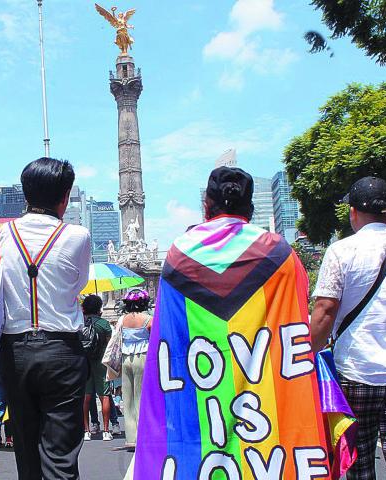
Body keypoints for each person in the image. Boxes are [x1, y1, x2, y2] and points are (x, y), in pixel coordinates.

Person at [134, 167, 331, 479]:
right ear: (250, 210)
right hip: (266, 404)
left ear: (206, 207)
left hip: (200, 389)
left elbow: (170, 340)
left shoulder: (178, 256)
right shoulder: (281, 254)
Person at [311, 176, 386, 480]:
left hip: (357, 371)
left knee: (358, 460)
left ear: (353, 212)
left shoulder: (341, 252)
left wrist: (305, 354)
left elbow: (325, 311)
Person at [0, 157, 91, 480]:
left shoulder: (0, 234)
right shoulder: (78, 236)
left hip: (15, 351)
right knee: (60, 454)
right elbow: (77, 285)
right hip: (62, 351)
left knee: (26, 449)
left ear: (26, 195)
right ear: (65, 197)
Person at [119, 289, 150, 448]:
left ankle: (131, 438)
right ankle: (142, 435)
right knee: (141, 397)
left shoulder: (122, 319)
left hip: (125, 358)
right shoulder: (148, 319)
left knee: (128, 398)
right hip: (142, 357)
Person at [81, 294, 113, 442]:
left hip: (84, 363)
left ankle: (86, 430)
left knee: (86, 397)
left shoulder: (80, 324)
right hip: (101, 362)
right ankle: (106, 430)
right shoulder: (104, 324)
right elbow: (109, 344)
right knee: (104, 395)